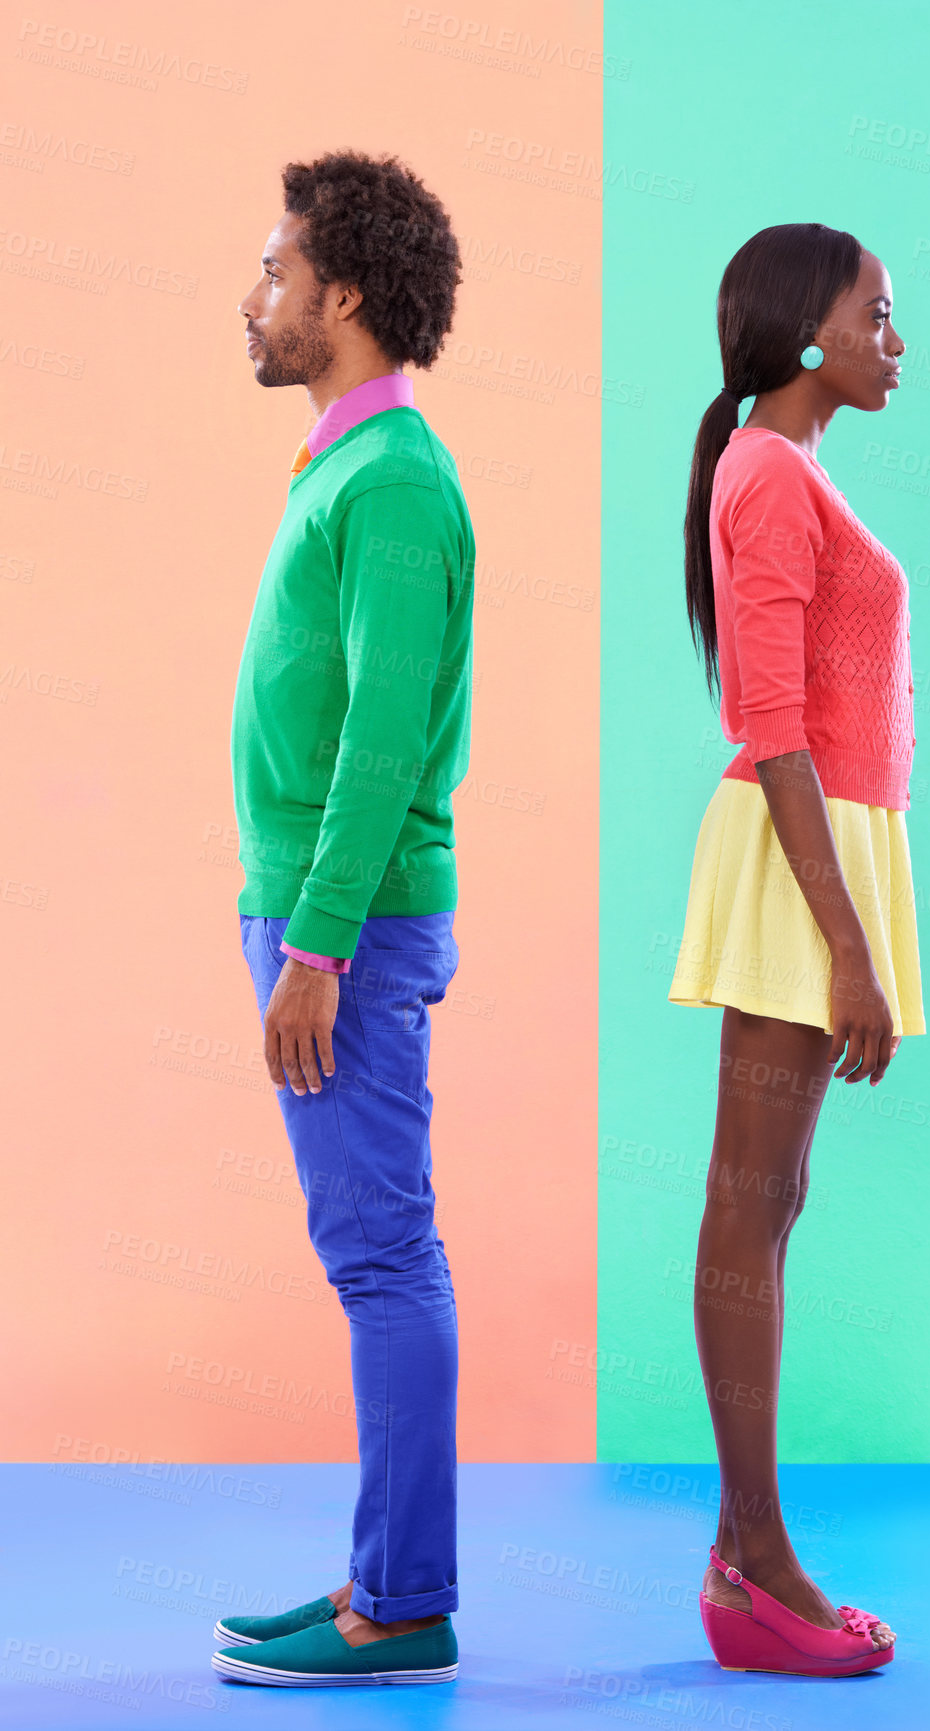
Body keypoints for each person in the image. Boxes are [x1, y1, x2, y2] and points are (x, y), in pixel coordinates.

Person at [211, 150, 474, 1689]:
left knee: (382, 1257)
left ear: (344, 295)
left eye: (274, 272)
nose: (256, 298)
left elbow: (385, 741)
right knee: (370, 1249)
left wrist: (313, 948)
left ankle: (406, 1605)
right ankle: (383, 1578)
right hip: (321, 918)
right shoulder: (351, 468)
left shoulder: (394, 483)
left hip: (347, 933)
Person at [668, 222, 925, 1677]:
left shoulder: (789, 469)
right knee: (750, 1202)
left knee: (771, 1203)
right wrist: (846, 945)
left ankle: (748, 1558)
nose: (896, 340)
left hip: (819, 854)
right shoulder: (767, 471)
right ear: (806, 331)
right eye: (877, 315)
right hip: (795, 862)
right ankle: (751, 1562)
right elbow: (772, 730)